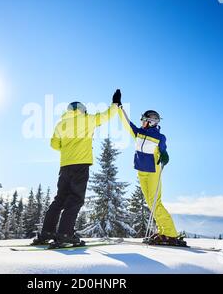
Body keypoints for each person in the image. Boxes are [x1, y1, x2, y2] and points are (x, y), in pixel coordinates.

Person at [32, 90, 122, 247]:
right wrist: (115, 104)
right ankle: (65, 234)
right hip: (80, 165)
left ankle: (47, 232)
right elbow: (107, 115)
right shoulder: (88, 119)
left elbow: (53, 144)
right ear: (82, 110)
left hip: (65, 166)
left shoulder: (61, 124)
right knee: (75, 199)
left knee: (60, 199)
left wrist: (67, 148)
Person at [118, 91, 185, 246]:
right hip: (141, 172)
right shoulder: (139, 133)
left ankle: (170, 233)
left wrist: (165, 155)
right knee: (150, 203)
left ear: (151, 121)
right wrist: (119, 107)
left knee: (155, 202)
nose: (141, 122)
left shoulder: (159, 137)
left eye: (143, 120)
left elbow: (163, 150)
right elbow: (127, 123)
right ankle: (163, 231)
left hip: (153, 172)